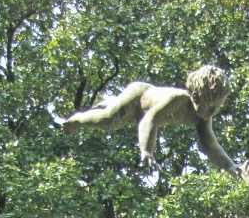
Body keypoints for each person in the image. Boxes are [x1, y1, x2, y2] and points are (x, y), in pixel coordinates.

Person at [59, 65, 239, 175]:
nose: (213, 112)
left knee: (122, 118)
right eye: (211, 107)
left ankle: (112, 102)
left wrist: (231, 166)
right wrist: (146, 151)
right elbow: (150, 119)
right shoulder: (177, 100)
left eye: (218, 108)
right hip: (138, 96)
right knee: (108, 121)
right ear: (196, 98)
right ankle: (77, 119)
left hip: (142, 112)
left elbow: (210, 145)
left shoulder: (203, 117)